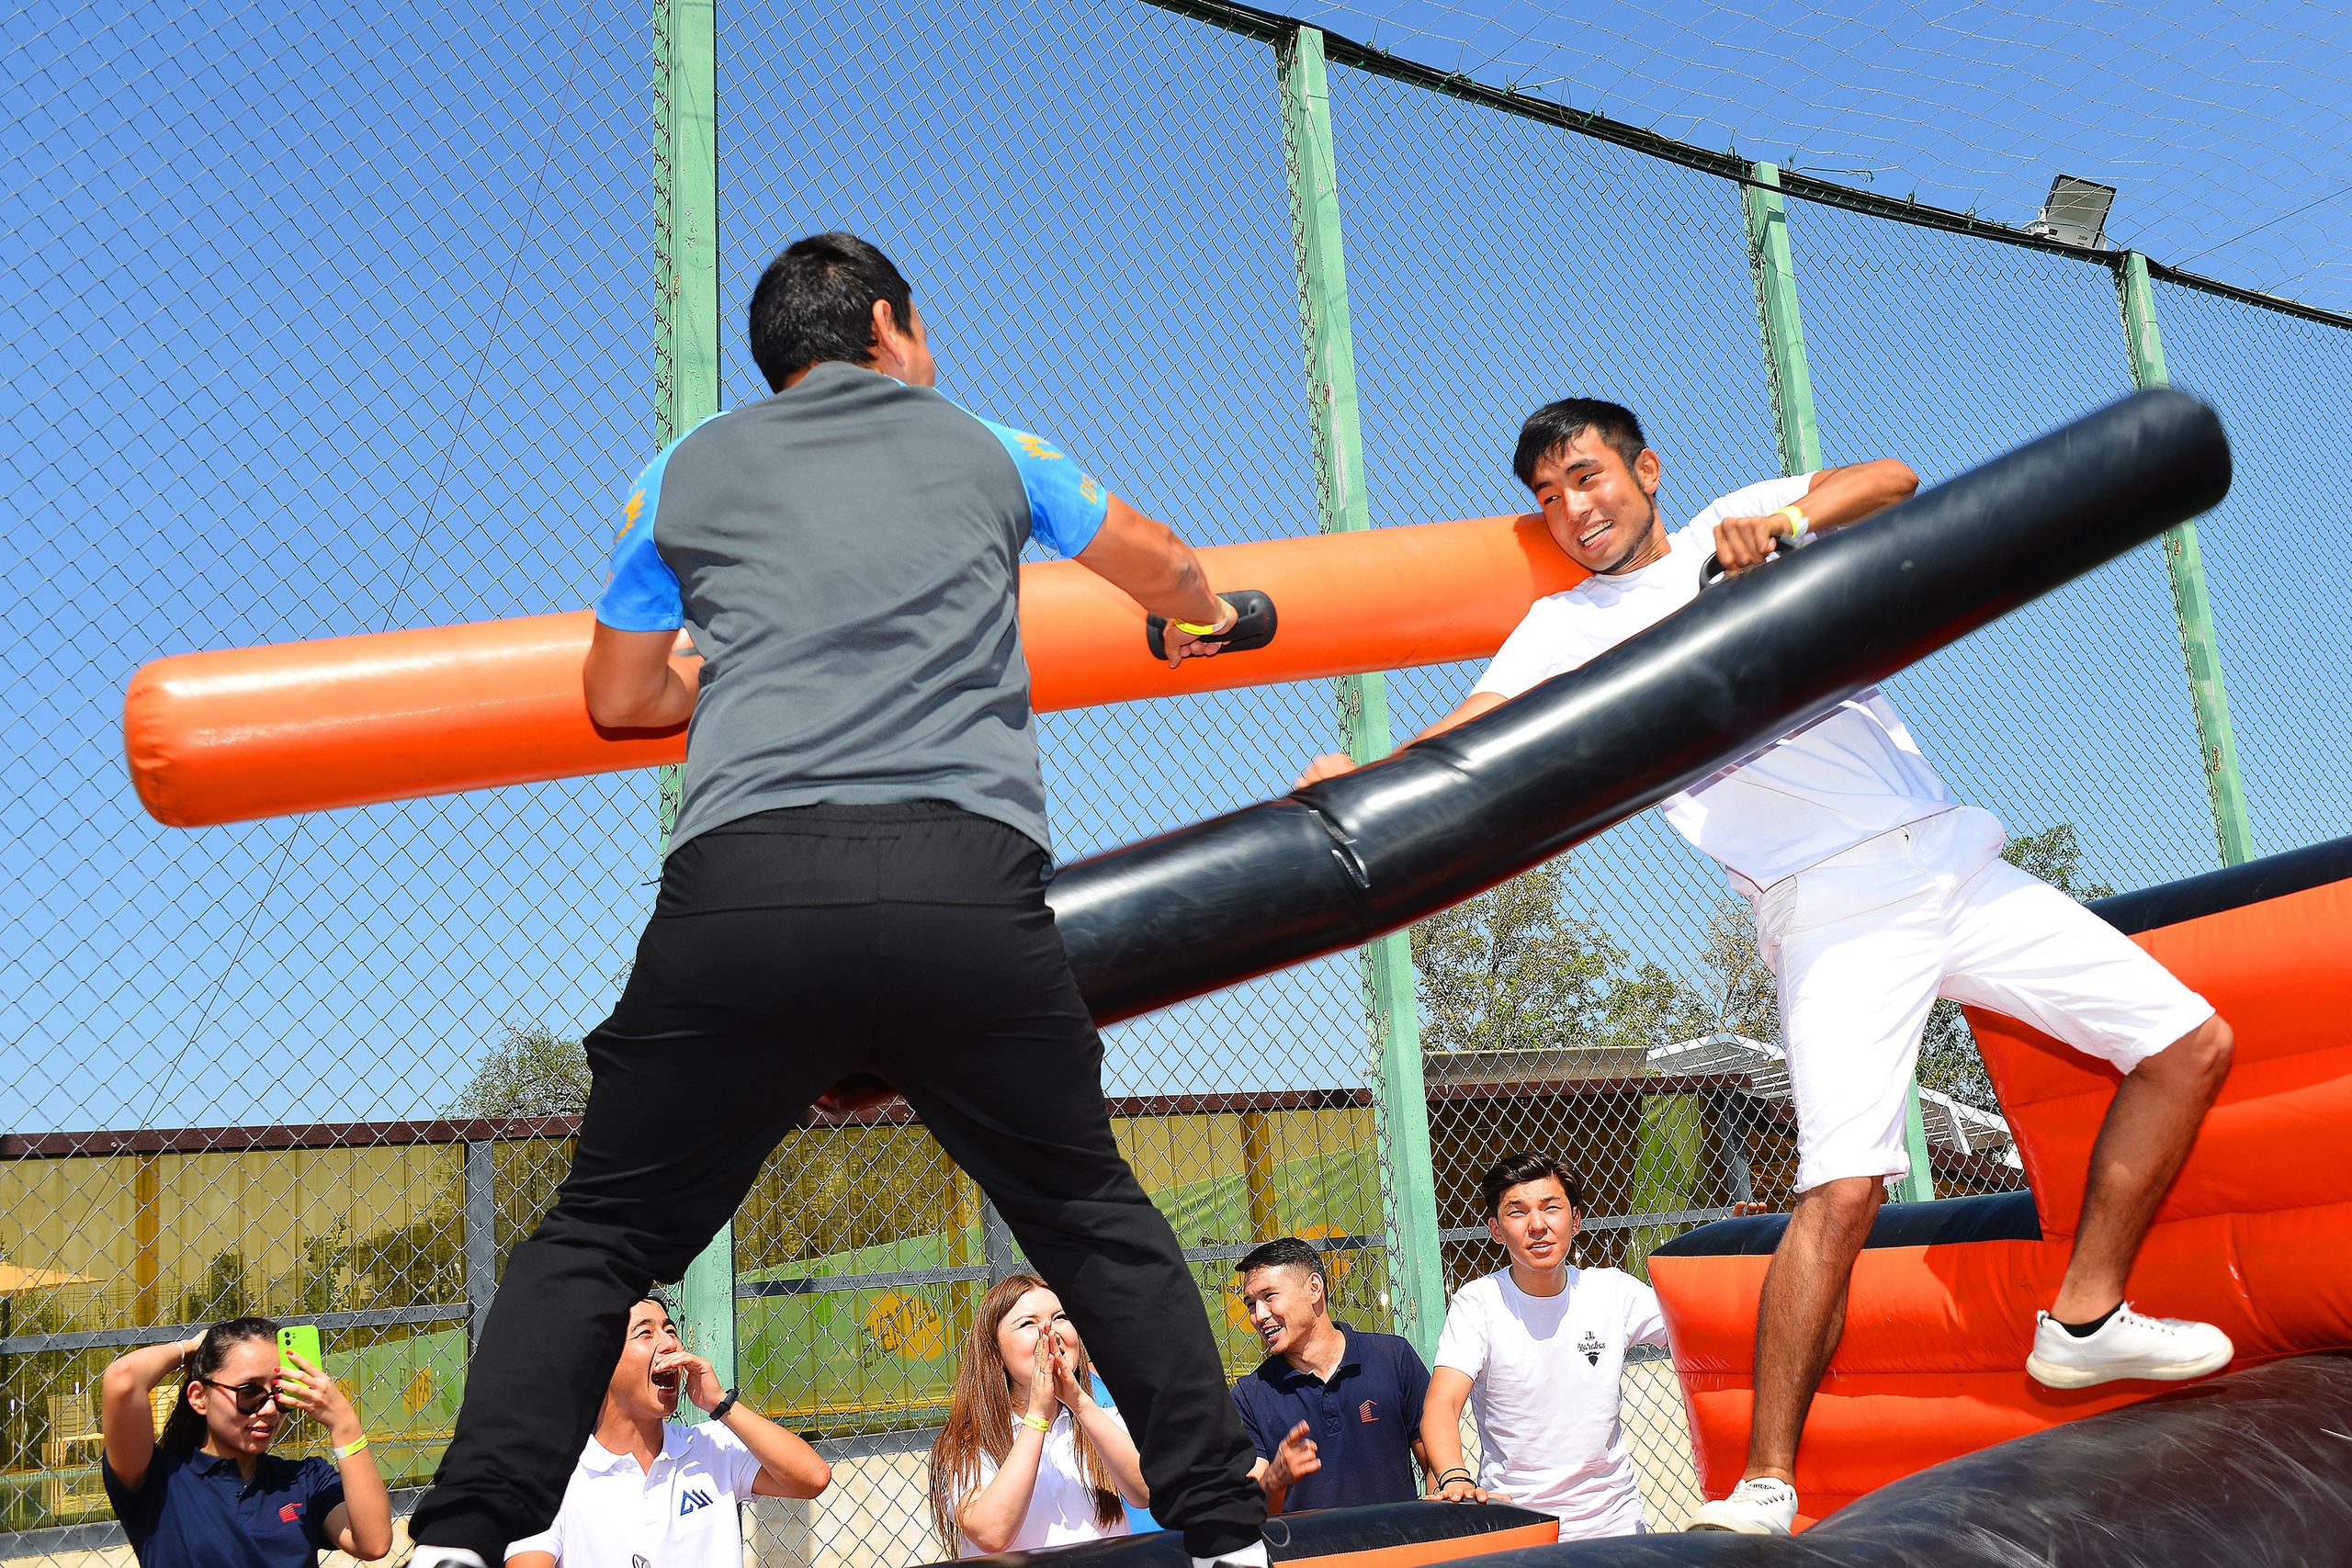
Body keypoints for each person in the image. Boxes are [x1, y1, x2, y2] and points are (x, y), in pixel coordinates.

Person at [405, 232, 1270, 1568]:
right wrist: (1209, 613)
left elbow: (620, 697)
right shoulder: (989, 443)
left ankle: (465, 1539)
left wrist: (736, 667)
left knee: (600, 1230)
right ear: (888, 326)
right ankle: (1223, 1533)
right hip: (961, 887)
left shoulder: (679, 470)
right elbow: (1160, 562)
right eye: (925, 331)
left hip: (748, 889)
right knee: (1089, 1215)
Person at [1302, 399, 2237, 1535]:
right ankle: (1763, 1484)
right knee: (1841, 1192)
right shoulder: (1567, 625)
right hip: (1829, 906)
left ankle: (2083, 1319)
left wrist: (1785, 521)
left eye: (1588, 478)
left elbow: (1894, 471)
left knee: (2189, 1042)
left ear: (1645, 470)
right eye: (1547, 498)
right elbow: (1474, 728)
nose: (1573, 510)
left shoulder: (1727, 524)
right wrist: (1357, 780)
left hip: (1949, 857)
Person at [1420, 1156, 1666, 1540]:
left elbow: (1702, 1328)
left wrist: (1729, 1255)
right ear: (1496, 1230)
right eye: (1517, 1213)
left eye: (1551, 1208)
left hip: (1614, 1522)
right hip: (1516, 1522)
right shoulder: (1479, 1303)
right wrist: (1454, 1477)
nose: (1537, 1225)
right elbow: (1442, 1402)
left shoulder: (1612, 1291)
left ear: (1576, 1220)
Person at [505, 1294, 827, 1568]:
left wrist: (720, 1404)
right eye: (645, 1334)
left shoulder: (711, 1447)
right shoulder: (550, 1480)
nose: (670, 1343)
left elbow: (812, 1478)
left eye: (670, 1330)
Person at [98, 1316, 392, 1567]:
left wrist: (345, 1425)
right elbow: (123, 1379)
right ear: (199, 1396)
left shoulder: (305, 1480)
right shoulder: (160, 1481)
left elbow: (373, 1543)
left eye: (279, 1392)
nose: (268, 1409)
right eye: (249, 1392)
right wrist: (189, 1349)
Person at [931, 1275, 1149, 1556]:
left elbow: (1144, 1492)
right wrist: (1037, 1415)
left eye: (1059, 1318)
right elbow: (992, 1534)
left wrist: (1079, 1403)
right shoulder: (966, 1444)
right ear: (995, 1351)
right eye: (1028, 1324)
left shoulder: (1103, 1419)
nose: (1049, 1332)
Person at [1229, 1237, 1430, 1514]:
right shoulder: (1248, 1397)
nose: (1259, 1315)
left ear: (1314, 1289)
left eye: (1269, 1296)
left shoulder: (1392, 1357)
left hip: (1399, 1549)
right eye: (1251, 1304)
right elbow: (1249, 1510)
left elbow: (1434, 1463)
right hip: (1306, 1555)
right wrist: (1275, 1480)